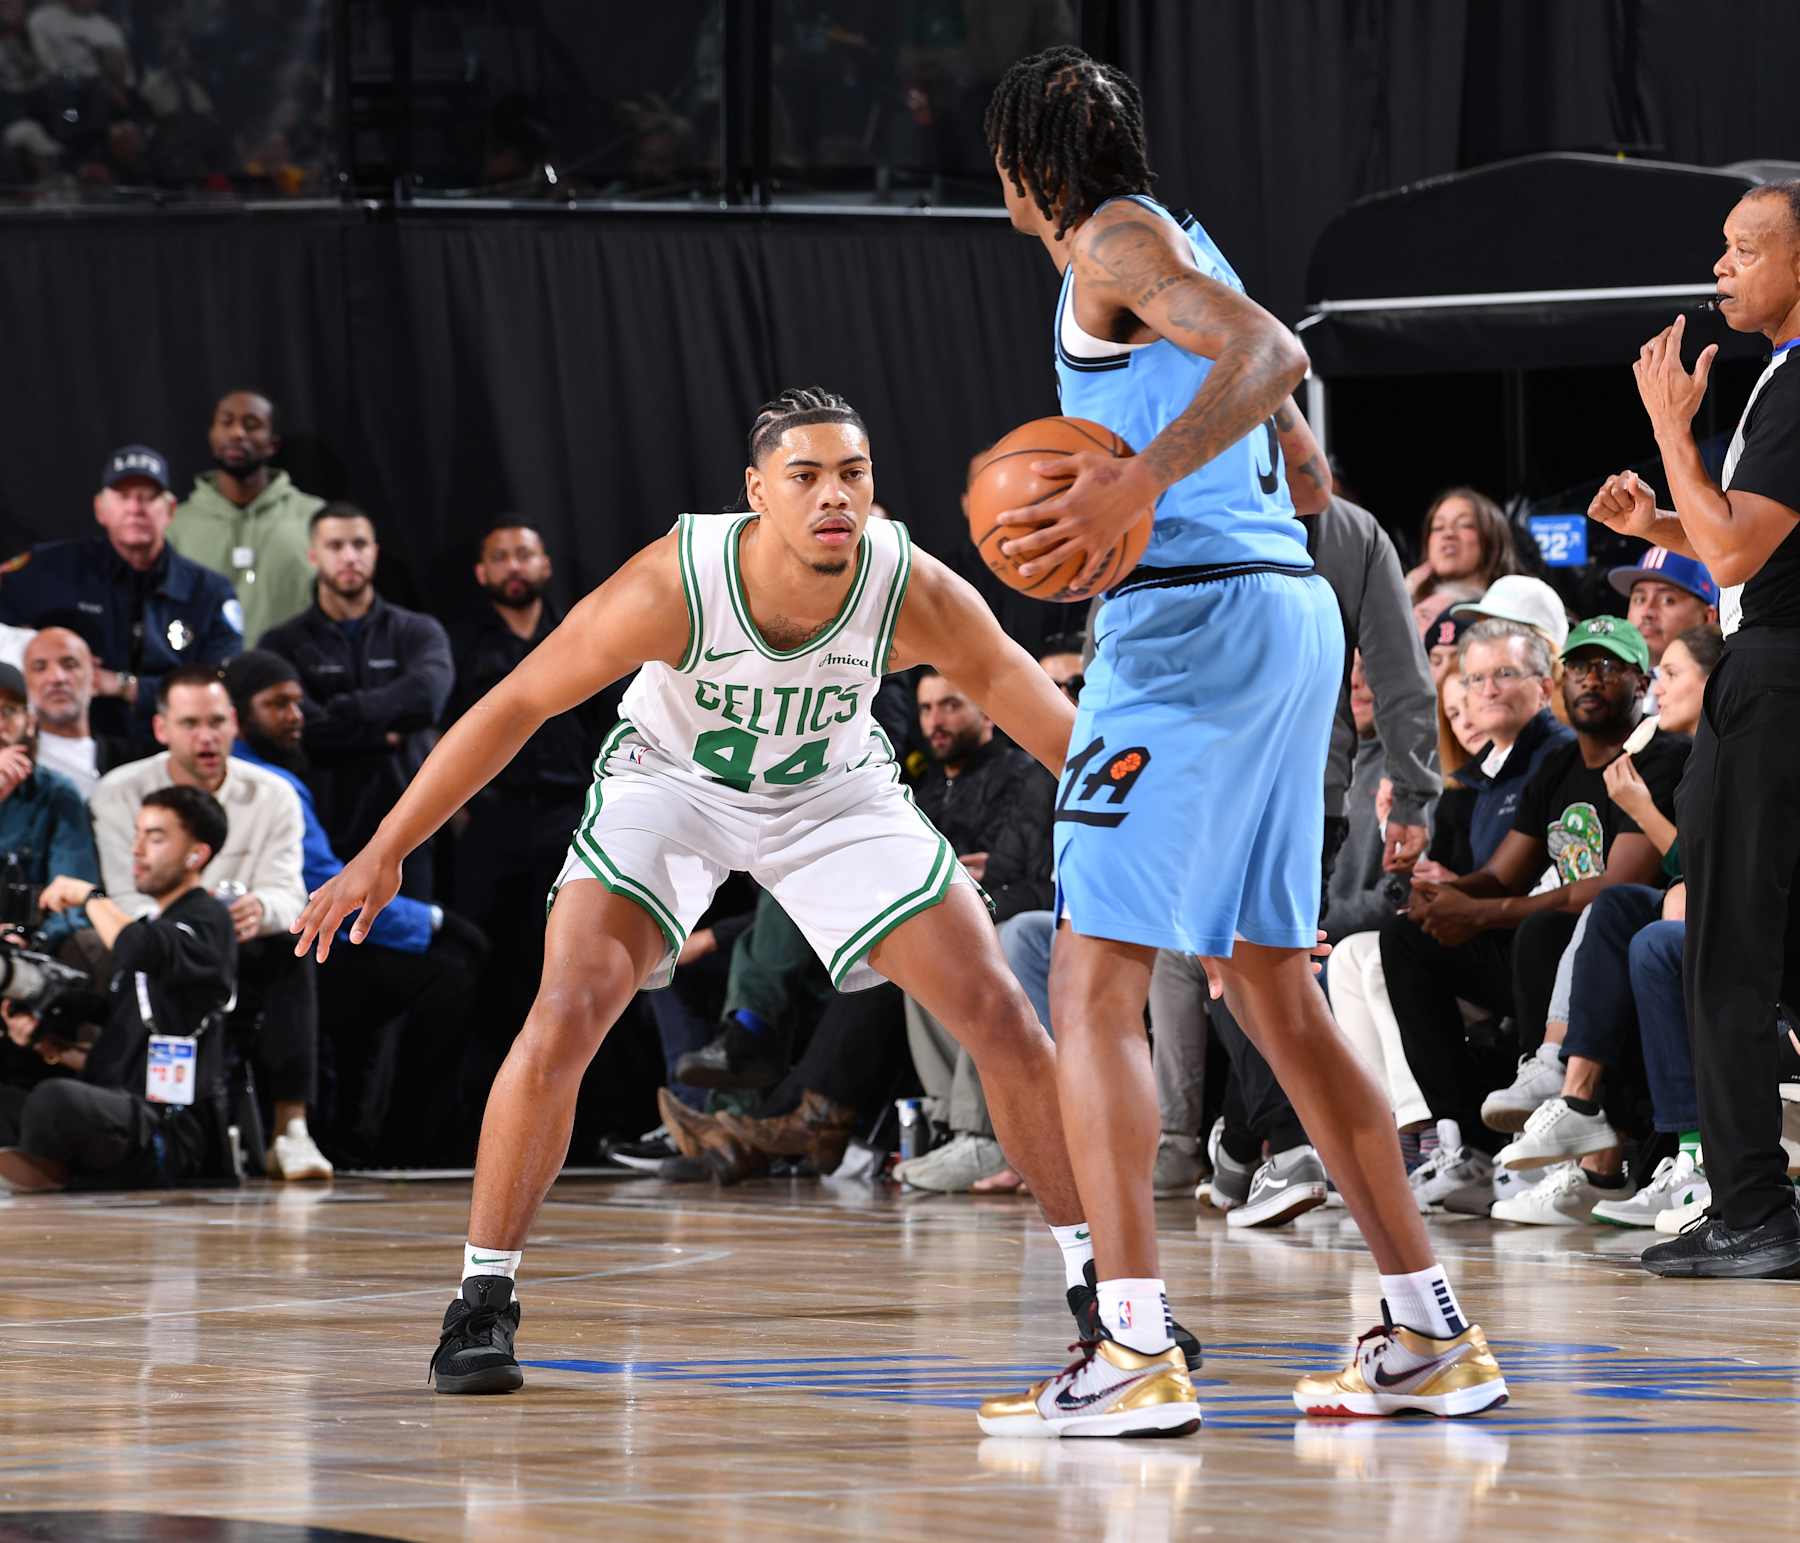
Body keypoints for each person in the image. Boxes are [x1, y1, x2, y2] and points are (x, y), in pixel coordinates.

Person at [293, 386, 1203, 1409]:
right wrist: (386, 848)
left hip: (832, 790)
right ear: (757, 492)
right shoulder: (675, 582)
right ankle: (481, 1297)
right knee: (567, 1007)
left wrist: (1181, 858)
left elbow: (1050, 727)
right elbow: (514, 704)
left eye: (852, 475)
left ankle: (1107, 1294)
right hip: (673, 787)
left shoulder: (913, 586)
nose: (833, 497)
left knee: (997, 1008)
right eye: (806, 476)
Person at [980, 46, 1502, 1431]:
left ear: (1018, 174)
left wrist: (1132, 485)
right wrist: (1185, 471)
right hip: (1282, 610)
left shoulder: (1113, 241)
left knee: (1091, 977)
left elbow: (1278, 351)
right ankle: (1427, 1325)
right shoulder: (1179, 236)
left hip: (1190, 628)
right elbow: (1310, 461)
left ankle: (1131, 1348)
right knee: (1274, 982)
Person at [1589, 178, 1800, 1277]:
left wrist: (1671, 428)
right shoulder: (1784, 379)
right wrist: (1658, 519)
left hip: (1772, 680)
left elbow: (1731, 563)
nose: (1722, 267)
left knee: (1724, 951)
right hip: (1776, 665)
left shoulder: (1798, 383)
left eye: (1744, 249)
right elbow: (1744, 535)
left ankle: (1753, 1209)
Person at [1388, 618, 1686, 1203]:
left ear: (1640, 681)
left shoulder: (1662, 755)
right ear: (1559, 682)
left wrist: (1483, 911)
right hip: (1549, 963)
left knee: (1543, 927)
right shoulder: (1558, 764)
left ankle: (1556, 1105)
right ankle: (1469, 1145)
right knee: (1404, 939)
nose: (1589, 680)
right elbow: (1504, 873)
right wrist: (1445, 897)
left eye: (1607, 667)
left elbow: (1613, 885)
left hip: (1612, 954)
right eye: (1578, 667)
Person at [222, 650, 484, 1166]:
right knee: (449, 971)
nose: (294, 715)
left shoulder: (280, 773)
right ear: (239, 714)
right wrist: (433, 920)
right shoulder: (275, 785)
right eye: (276, 704)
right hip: (285, 946)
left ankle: (371, 1132)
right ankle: (407, 1141)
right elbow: (326, 886)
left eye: (297, 703)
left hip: (294, 938)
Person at [89, 665, 328, 1181]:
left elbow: (292, 894)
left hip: (245, 940)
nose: (206, 736)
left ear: (235, 725)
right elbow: (126, 896)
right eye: (190, 722)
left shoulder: (275, 794)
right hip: (164, 940)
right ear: (161, 729)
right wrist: (193, 925)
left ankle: (292, 1129)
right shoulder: (119, 792)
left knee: (298, 944)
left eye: (217, 721)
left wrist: (261, 909)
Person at [0, 785, 234, 1193]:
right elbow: (114, 1058)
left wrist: (88, 896)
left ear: (196, 854)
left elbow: (139, 948)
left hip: (168, 1128)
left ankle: (49, 1174)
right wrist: (44, 1041)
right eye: (138, 834)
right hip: (119, 1113)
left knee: (57, 1101)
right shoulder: (154, 928)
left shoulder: (207, 920)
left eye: (156, 837)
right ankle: (45, 1170)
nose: (138, 850)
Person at [894, 667, 1055, 1193]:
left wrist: (982, 898)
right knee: (914, 941)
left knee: (990, 940)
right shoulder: (930, 786)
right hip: (1020, 909)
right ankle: (950, 1122)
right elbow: (1008, 871)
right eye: (926, 709)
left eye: (950, 705)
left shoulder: (1026, 773)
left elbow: (1043, 886)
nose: (936, 721)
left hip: (1059, 924)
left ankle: (983, 1134)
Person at [446, 521, 601, 1047]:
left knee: (570, 961)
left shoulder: (582, 634)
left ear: (545, 565)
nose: (514, 566)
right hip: (492, 820)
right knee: (483, 963)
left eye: (524, 555)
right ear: (481, 572)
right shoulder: (460, 645)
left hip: (569, 818)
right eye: (502, 557)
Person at [261, 504, 454, 897]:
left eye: (359, 544)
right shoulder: (281, 643)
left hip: (409, 826)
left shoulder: (417, 631)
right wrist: (384, 733)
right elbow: (302, 730)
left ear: (375, 552)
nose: (350, 556)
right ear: (313, 556)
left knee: (410, 948)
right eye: (336, 545)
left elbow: (427, 698)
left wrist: (344, 711)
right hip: (323, 828)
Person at [0, 446, 243, 743]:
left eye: (147, 496)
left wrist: (124, 686)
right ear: (100, 509)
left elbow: (222, 681)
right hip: (73, 743)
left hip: (175, 745)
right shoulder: (52, 569)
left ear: (170, 511)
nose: (135, 508)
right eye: (123, 496)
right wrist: (43, 657)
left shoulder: (209, 591)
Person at [169, 390, 327, 646]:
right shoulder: (175, 523)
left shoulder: (314, 517)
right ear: (212, 436)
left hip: (291, 678)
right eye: (227, 422)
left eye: (252, 425)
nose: (238, 433)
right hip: (202, 680)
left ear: (272, 443)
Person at [0, 661, 99, 956]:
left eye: (9, 711)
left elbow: (75, 892)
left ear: (29, 723)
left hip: (27, 945)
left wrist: (32, 941)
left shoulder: (56, 793)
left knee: (89, 946)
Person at [20, 627, 136, 795]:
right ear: (25, 683)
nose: (57, 678)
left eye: (70, 664)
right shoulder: (13, 758)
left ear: (94, 679)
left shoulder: (131, 762)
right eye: (40, 667)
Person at [1406, 488, 1520, 632]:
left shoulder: (1511, 610)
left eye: (1465, 525)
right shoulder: (1406, 600)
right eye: (1438, 527)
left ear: (1492, 539)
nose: (1448, 534)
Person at [1608, 549, 1718, 668]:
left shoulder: (1727, 683)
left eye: (1668, 600)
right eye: (1639, 599)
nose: (1647, 612)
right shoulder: (1611, 681)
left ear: (1707, 618)